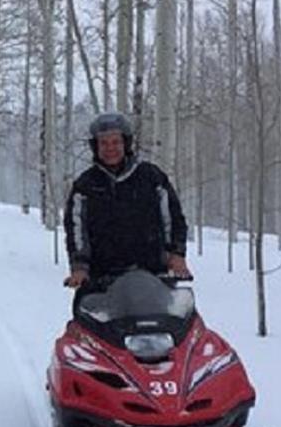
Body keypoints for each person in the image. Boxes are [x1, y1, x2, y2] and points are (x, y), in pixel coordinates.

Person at [62, 111, 190, 293]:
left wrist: (176, 254)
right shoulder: (85, 186)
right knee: (83, 321)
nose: (110, 148)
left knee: (183, 319)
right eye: (104, 143)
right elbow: (76, 229)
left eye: (116, 142)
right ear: (95, 147)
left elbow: (173, 217)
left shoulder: (152, 178)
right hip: (101, 283)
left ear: (126, 143)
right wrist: (79, 268)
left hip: (153, 278)